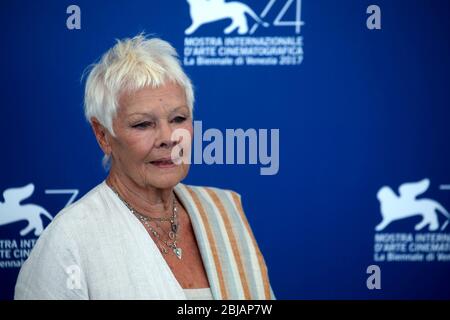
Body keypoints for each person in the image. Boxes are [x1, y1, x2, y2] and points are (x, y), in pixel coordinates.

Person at [14, 34, 274, 300]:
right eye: (142, 124)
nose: (168, 138)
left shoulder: (224, 209)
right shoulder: (69, 240)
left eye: (178, 118)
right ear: (103, 135)